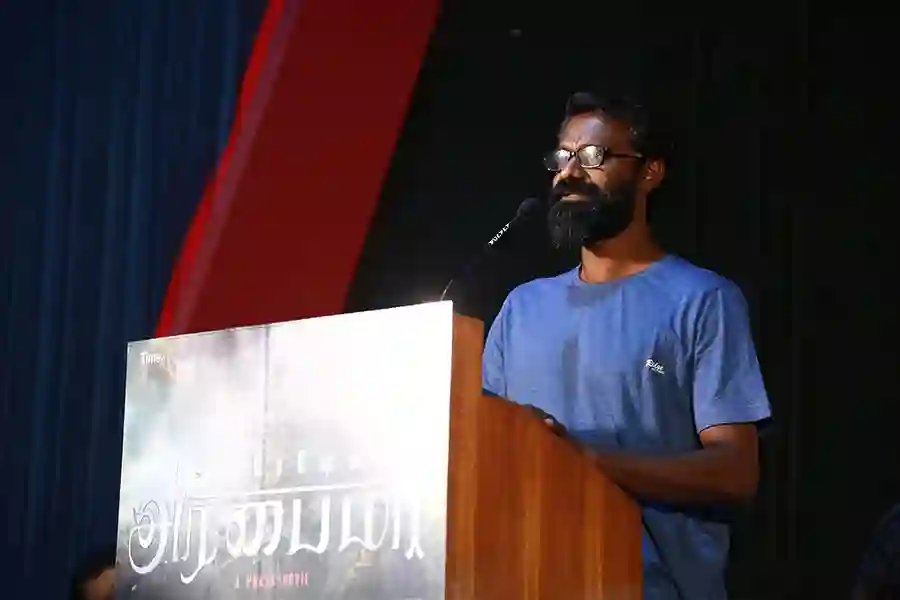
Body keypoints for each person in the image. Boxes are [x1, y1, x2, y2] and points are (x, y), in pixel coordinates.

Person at [482, 91, 772, 599]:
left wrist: (586, 461)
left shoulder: (701, 299)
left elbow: (735, 471)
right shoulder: (521, 307)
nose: (569, 173)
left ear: (649, 173)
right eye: (562, 157)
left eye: (593, 156)